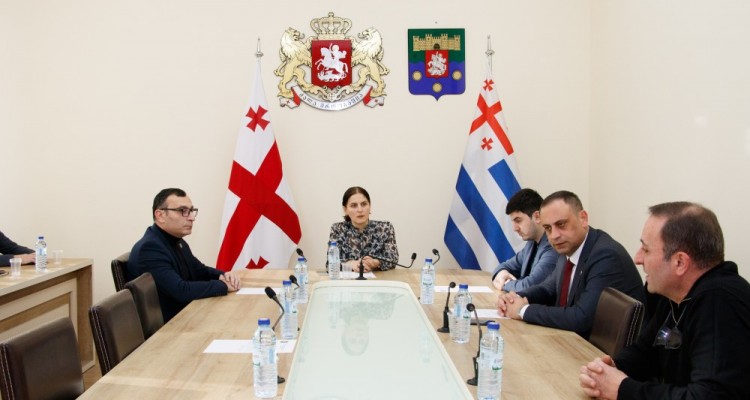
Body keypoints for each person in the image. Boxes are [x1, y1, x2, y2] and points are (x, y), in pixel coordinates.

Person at [579, 202, 750, 400]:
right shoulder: (674, 296)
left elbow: (709, 396)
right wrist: (611, 369)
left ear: (680, 262)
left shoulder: (720, 302)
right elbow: (647, 352)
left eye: (646, 250)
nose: (637, 258)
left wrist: (622, 389)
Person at [496, 190, 645, 339]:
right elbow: (547, 289)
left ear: (583, 218)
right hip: (575, 342)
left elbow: (580, 317)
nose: (554, 235)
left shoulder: (605, 255)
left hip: (603, 350)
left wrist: (523, 310)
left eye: (561, 224)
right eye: (548, 228)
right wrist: (514, 298)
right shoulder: (567, 248)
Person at [127, 188, 240, 321]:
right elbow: (181, 291)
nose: (192, 218)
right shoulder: (150, 249)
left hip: (187, 315)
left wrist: (224, 275)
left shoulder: (176, 241)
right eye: (183, 211)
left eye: (191, 211)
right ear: (160, 215)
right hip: (171, 326)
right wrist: (223, 285)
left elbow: (200, 271)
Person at [491, 188, 558, 292]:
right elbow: (504, 266)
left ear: (537, 216)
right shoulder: (531, 243)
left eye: (518, 220)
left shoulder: (553, 246)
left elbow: (529, 286)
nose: (515, 228)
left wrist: (505, 283)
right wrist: (501, 273)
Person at [328, 186, 398, 272]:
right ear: (345, 209)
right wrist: (351, 264)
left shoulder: (385, 228)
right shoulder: (338, 229)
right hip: (349, 280)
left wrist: (376, 262)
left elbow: (393, 259)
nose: (360, 210)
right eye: (354, 205)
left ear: (370, 205)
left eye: (364, 204)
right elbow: (329, 265)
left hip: (378, 279)